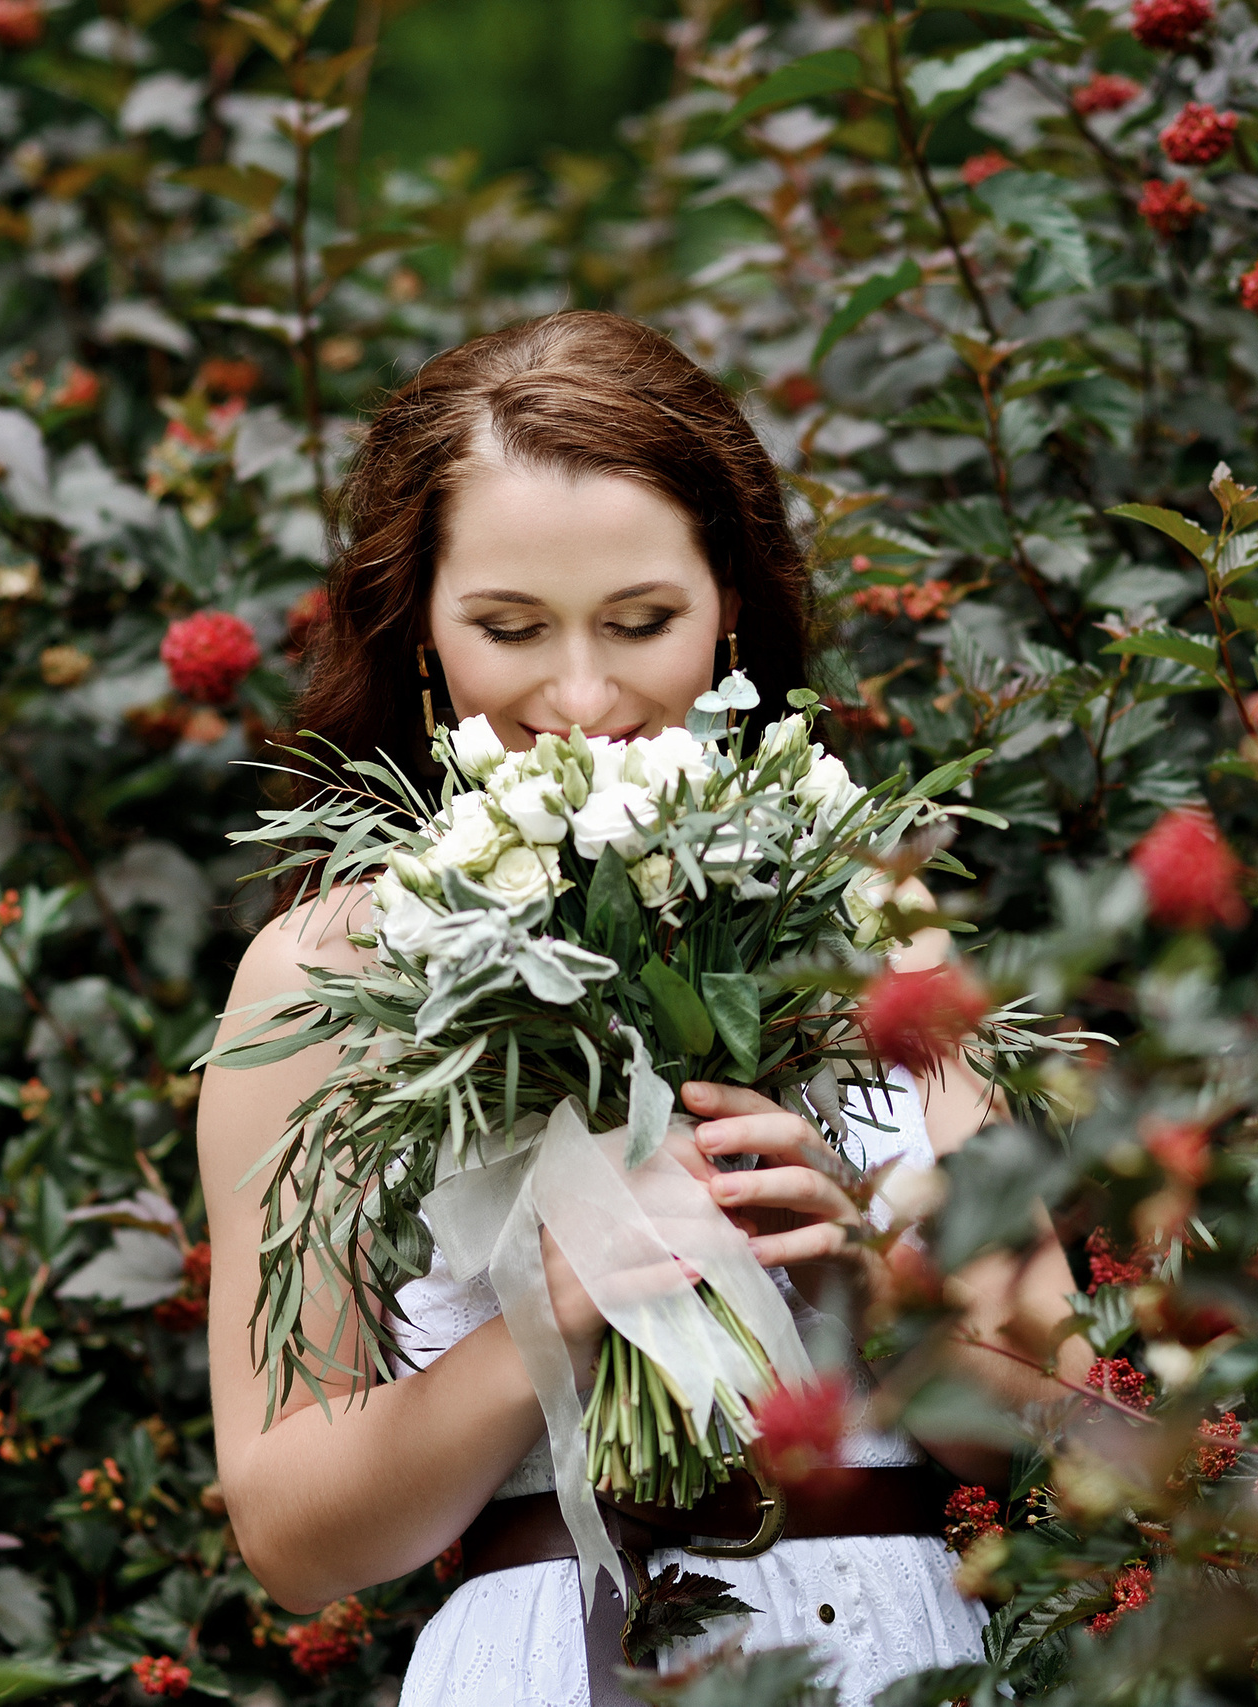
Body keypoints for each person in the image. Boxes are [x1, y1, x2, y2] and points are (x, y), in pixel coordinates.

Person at [201, 311, 1088, 1704]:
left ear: (728, 600)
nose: (582, 694)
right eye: (507, 628)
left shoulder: (871, 904)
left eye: (641, 621)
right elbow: (292, 1536)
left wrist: (867, 1291)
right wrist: (554, 1320)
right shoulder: (326, 969)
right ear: (419, 628)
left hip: (898, 1648)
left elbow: (1085, 1441)